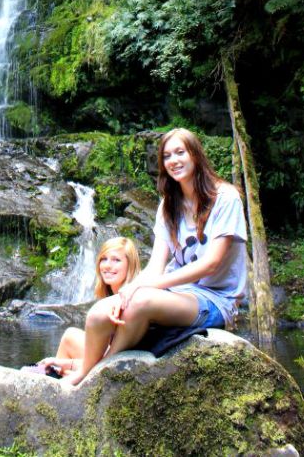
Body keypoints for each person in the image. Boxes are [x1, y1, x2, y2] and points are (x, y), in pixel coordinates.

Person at [63, 128, 248, 387]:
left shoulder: (225, 198)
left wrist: (146, 289)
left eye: (180, 152)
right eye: (167, 155)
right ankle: (90, 369)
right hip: (176, 293)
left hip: (216, 300)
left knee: (140, 302)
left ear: (195, 154)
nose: (174, 160)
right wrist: (128, 291)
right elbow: (155, 267)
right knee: (99, 313)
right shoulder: (168, 205)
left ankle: (94, 378)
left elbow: (211, 263)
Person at [35, 236, 141, 379]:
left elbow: (112, 360)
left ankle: (60, 387)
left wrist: (66, 365)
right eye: (104, 259)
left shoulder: (128, 299)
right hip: (110, 360)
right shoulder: (112, 298)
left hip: (127, 368)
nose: (108, 265)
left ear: (130, 265)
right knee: (70, 336)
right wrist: (65, 365)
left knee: (60, 366)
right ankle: (59, 380)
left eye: (116, 260)